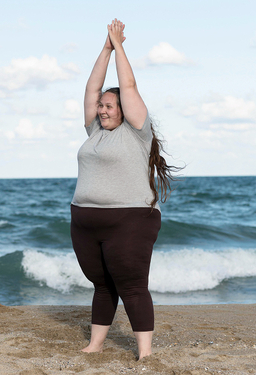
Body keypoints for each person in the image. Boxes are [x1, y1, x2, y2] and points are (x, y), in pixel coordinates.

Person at [70, 19, 179, 359]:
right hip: (86, 221)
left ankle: (144, 352)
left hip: (130, 220)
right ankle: (96, 343)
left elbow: (128, 85)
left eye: (108, 106)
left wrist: (119, 46)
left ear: (124, 111)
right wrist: (103, 48)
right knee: (101, 285)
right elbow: (91, 89)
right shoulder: (95, 131)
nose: (101, 110)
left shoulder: (136, 131)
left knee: (132, 287)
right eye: (100, 106)